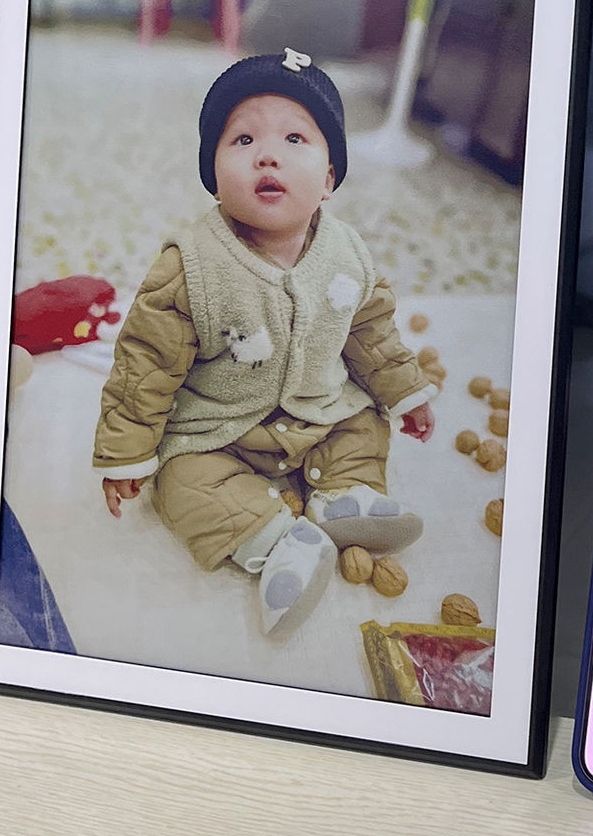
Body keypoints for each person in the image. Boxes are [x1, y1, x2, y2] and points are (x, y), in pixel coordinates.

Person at [93, 49, 437, 635]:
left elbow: (371, 332)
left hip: (322, 412)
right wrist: (127, 451)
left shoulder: (348, 254)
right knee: (180, 484)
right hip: (221, 430)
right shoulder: (191, 267)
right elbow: (144, 365)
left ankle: (346, 496)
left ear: (329, 180)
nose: (268, 155)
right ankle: (277, 540)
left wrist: (404, 390)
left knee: (365, 426)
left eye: (295, 139)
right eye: (244, 140)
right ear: (214, 176)